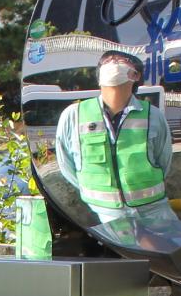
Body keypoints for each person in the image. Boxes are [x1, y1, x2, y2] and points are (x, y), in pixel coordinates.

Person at [53, 50, 174, 221]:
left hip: (156, 215)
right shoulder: (73, 115)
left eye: (122, 60)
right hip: (106, 220)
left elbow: (164, 162)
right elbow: (67, 167)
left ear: (135, 75)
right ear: (99, 75)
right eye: (108, 60)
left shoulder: (153, 116)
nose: (114, 62)